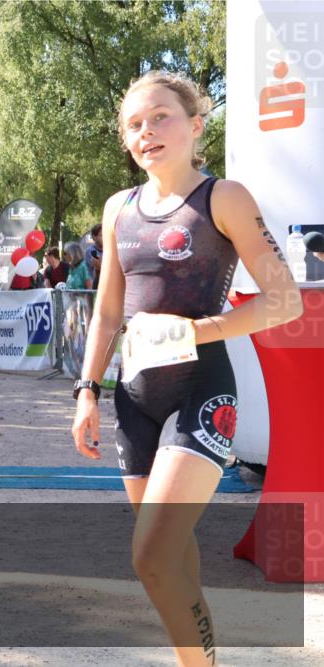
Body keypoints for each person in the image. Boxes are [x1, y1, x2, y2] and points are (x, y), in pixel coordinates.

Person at [70, 71, 302, 667]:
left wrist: (202, 330)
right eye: (134, 124)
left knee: (149, 557)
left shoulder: (223, 198)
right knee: (171, 556)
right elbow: (107, 311)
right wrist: (87, 390)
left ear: (196, 125)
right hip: (133, 399)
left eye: (160, 117)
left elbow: (285, 300)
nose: (146, 131)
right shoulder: (118, 207)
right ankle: (200, 657)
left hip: (200, 391)